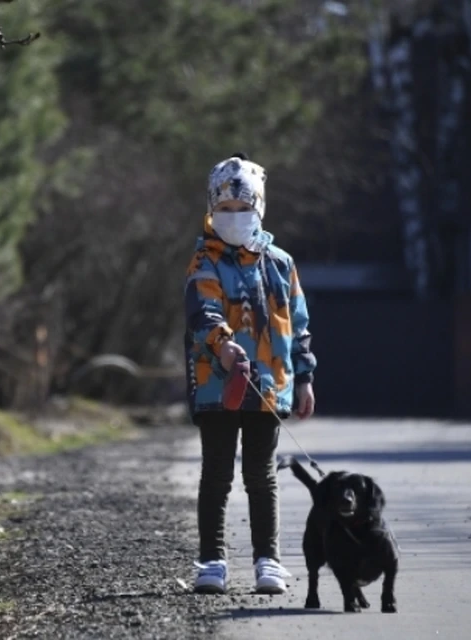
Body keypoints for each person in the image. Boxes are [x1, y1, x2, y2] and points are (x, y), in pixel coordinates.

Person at [183, 152, 317, 595]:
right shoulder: (204, 261)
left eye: (243, 209)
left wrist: (303, 377)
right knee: (217, 473)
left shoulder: (280, 263)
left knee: (261, 474)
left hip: (269, 385)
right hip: (216, 383)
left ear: (258, 209)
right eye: (225, 209)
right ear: (211, 209)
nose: (234, 217)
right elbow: (201, 311)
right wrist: (222, 345)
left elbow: (298, 324)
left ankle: (268, 560)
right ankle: (212, 560)